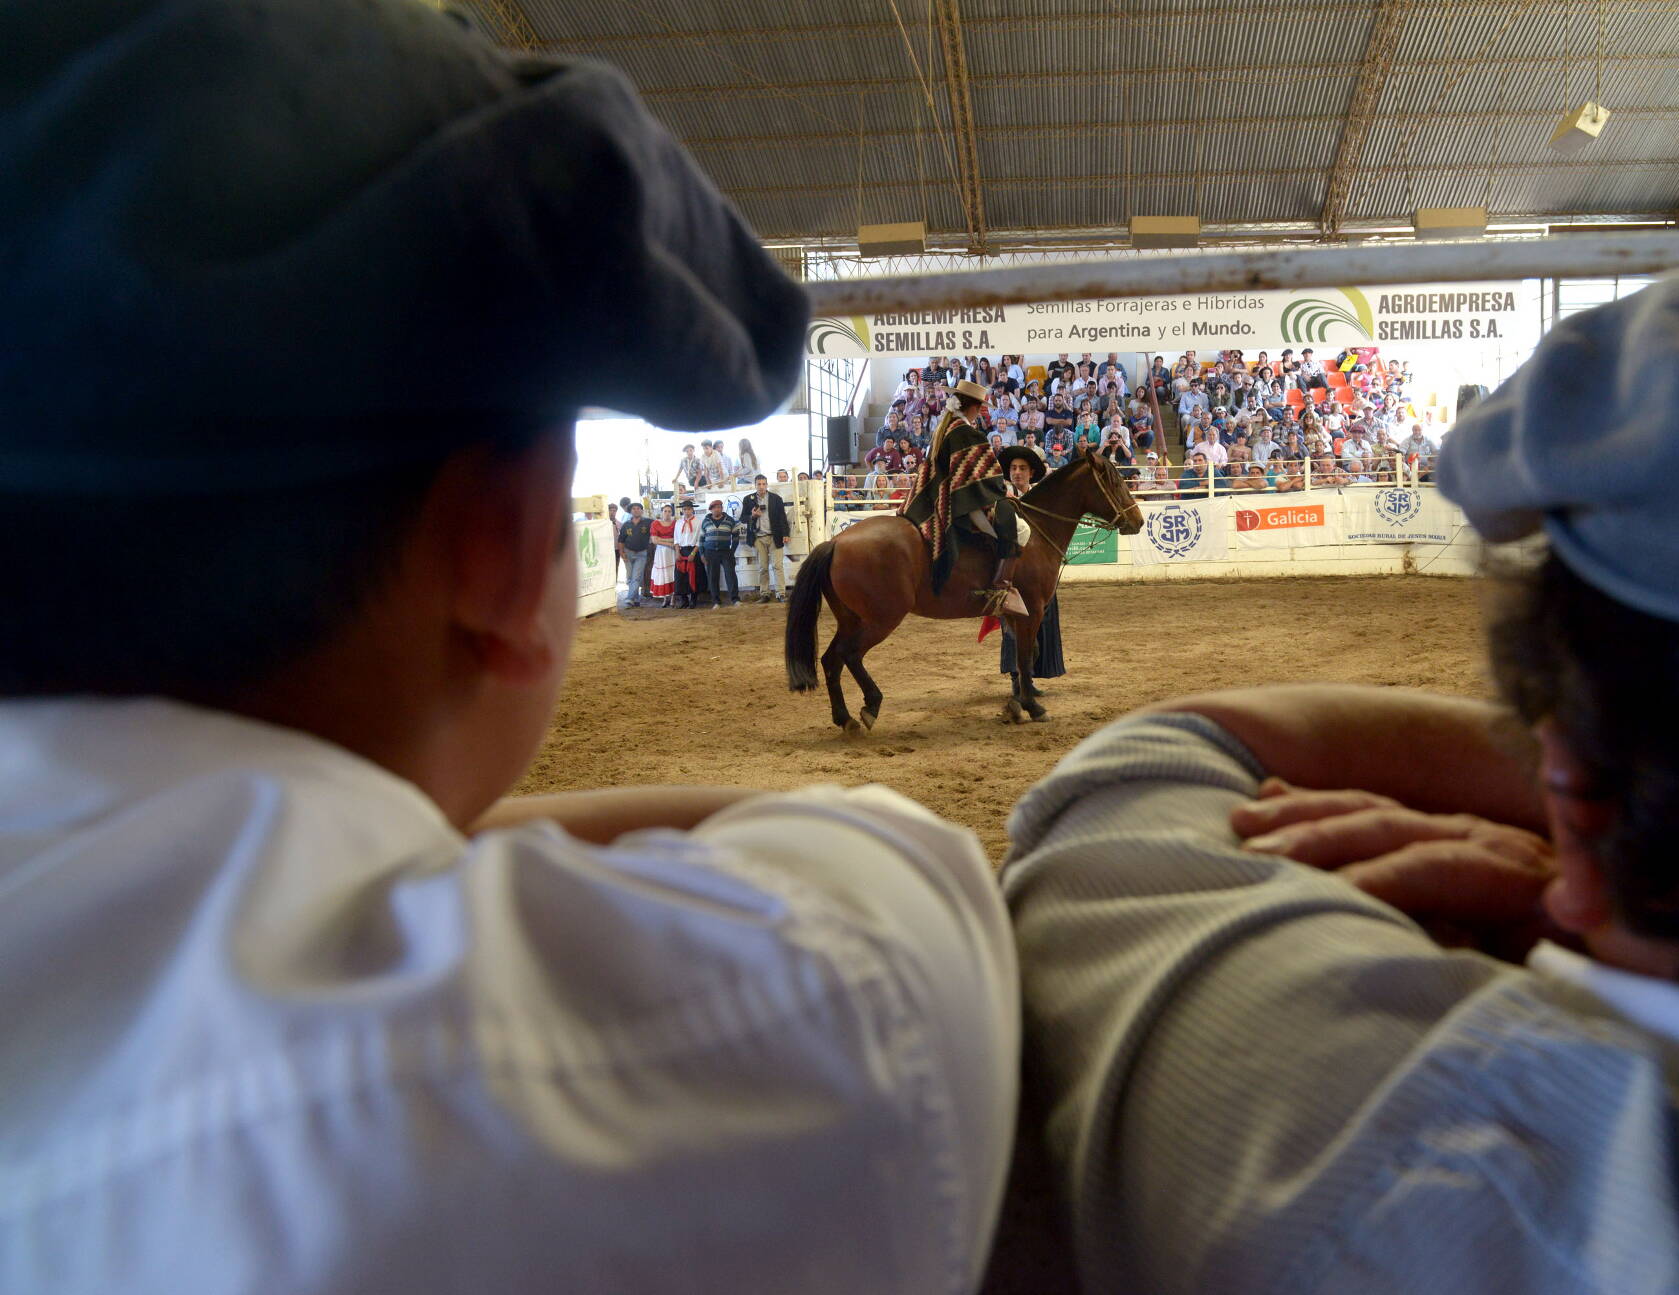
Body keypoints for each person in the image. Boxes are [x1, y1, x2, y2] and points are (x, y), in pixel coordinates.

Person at [0, 2, 1019, 1292]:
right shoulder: (796, 1009)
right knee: (958, 538)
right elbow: (901, 876)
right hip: (927, 528)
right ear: (508, 537)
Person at [996, 219, 1679, 1294]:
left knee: (994, 549)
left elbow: (1141, 775)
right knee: (981, 536)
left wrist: (1610, 803)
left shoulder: (1417, 1167)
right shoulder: (986, 450)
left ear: (1570, 794)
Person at [899, 380, 1025, 615]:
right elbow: (983, 474)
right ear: (974, 407)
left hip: (945, 493)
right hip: (963, 499)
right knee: (1021, 529)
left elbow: (970, 470)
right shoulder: (966, 432)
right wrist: (1001, 489)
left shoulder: (946, 427)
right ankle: (1001, 587)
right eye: (982, 407)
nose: (983, 411)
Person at [993, 445, 1066, 689]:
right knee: (1015, 626)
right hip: (1014, 573)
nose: (1017, 473)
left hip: (1040, 572)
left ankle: (1030, 679)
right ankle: (1017, 678)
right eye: (1013, 468)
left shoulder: (1041, 496)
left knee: (1038, 624)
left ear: (1031, 472)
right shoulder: (1002, 495)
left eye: (1022, 468)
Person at [740, 473, 791, 603]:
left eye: (763, 484)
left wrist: (786, 534)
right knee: (763, 567)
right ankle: (765, 594)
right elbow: (742, 518)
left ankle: (781, 593)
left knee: (777, 566)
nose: (761, 486)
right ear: (755, 485)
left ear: (767, 485)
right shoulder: (748, 499)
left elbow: (782, 518)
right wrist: (752, 516)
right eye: (759, 484)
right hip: (758, 537)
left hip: (775, 536)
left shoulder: (776, 498)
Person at [698, 497, 740, 608]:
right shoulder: (705, 521)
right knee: (712, 577)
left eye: (719, 507)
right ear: (711, 510)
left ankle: (735, 599)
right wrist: (701, 554)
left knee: (731, 575)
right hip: (710, 552)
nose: (718, 509)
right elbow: (701, 539)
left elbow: (736, 537)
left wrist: (732, 550)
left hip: (726, 552)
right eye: (715, 508)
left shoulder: (730, 520)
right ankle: (716, 601)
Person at [617, 500, 655, 608]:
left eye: (638, 508)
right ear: (630, 511)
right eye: (634, 508)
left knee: (636, 577)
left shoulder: (649, 522)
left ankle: (629, 598)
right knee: (630, 578)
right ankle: (636, 599)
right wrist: (621, 552)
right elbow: (621, 540)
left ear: (642, 511)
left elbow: (659, 525)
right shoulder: (626, 524)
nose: (636, 510)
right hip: (628, 553)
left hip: (641, 553)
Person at [673, 497, 706, 609]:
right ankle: (684, 600)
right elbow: (676, 539)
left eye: (688, 509)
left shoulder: (698, 521)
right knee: (681, 576)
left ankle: (693, 599)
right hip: (682, 550)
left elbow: (700, 539)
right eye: (685, 509)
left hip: (693, 550)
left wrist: (693, 553)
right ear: (682, 510)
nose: (687, 511)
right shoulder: (678, 522)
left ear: (692, 510)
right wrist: (677, 552)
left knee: (694, 576)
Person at [647, 502, 678, 607]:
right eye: (665, 511)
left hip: (672, 552)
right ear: (662, 512)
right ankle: (666, 598)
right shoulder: (655, 523)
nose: (667, 513)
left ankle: (673, 598)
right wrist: (669, 543)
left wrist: (661, 539)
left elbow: (677, 539)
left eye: (669, 511)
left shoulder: (675, 523)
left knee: (672, 574)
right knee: (664, 574)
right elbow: (654, 540)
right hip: (661, 553)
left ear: (672, 513)